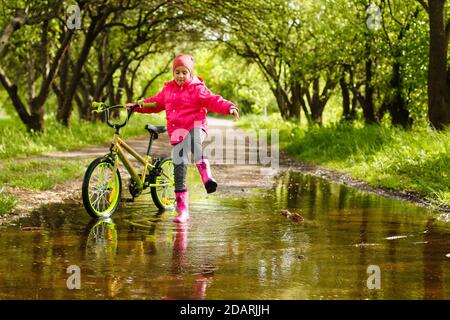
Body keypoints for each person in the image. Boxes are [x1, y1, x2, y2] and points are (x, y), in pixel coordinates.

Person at [126, 53, 239, 223]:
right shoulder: (168, 90)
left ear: (190, 73)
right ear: (173, 73)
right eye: (177, 72)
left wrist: (229, 107)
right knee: (179, 169)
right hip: (177, 133)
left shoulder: (197, 88)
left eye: (184, 72)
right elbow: (155, 103)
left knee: (194, 140)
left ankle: (207, 177)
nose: (180, 76)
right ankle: (183, 211)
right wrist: (137, 106)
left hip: (196, 126)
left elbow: (213, 100)